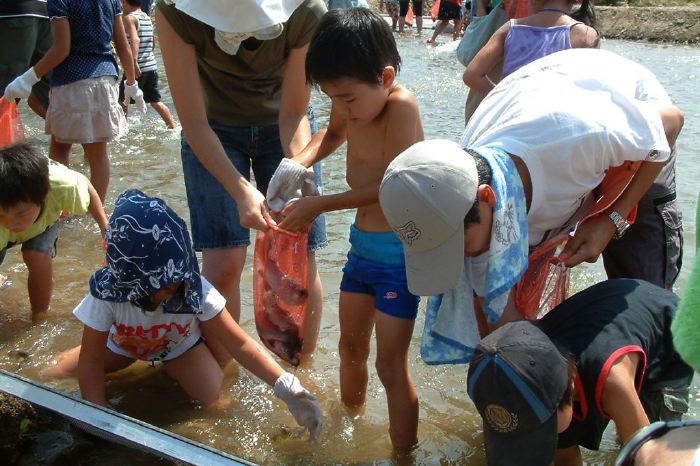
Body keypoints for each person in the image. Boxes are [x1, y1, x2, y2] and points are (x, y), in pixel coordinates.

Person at [378, 49, 684, 359]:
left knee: (644, 296)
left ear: (488, 198)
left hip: (635, 130)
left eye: (458, 246)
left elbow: (672, 122)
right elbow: (493, 311)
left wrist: (612, 219)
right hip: (537, 111)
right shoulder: (451, 192)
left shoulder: (582, 138)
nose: (460, 259)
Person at [46, 189, 323, 439]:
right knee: (54, 372)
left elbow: (239, 343)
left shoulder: (193, 288)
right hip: (123, 345)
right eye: (162, 283)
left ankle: (168, 375)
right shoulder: (107, 294)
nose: (174, 287)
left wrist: (285, 386)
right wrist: (99, 414)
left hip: (180, 348)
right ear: (131, 278)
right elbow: (92, 361)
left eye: (178, 279)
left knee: (214, 403)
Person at [269, 8, 424, 452]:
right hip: (361, 251)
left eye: (350, 99)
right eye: (333, 97)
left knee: (390, 366)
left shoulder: (401, 108)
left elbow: (393, 189)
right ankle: (347, 434)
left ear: (387, 76)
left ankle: (402, 453)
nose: (344, 108)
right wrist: (295, 163)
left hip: (398, 254)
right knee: (349, 350)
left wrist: (320, 204)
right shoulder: (350, 100)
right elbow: (332, 137)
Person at [154, 0, 328, 361]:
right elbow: (194, 122)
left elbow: (294, 112)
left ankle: (301, 368)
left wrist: (297, 171)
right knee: (224, 261)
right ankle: (222, 377)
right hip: (212, 128)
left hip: (284, 123)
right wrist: (239, 188)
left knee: (298, 254)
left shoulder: (307, 11)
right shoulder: (175, 12)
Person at [466, 279, 694, 466]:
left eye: (542, 429)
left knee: (652, 444)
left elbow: (647, 453)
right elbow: (564, 457)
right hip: (594, 331)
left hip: (669, 342)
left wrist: (641, 447)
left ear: (571, 387)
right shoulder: (524, 369)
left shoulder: (612, 382)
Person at [2, 0, 145, 203]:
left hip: (71, 81)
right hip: (106, 80)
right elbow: (123, 45)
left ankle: (61, 209)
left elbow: (62, 48)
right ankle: (95, 214)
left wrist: (28, 78)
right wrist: (131, 84)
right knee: (98, 155)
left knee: (60, 148)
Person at [0, 143, 108, 320]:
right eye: (1, 215)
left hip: (44, 221)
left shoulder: (62, 185)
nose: (12, 223)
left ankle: (39, 315)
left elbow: (86, 186)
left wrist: (105, 226)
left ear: (44, 196)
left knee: (36, 255)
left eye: (20, 213)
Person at [463, 0, 599, 96]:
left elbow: (471, 76)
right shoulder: (586, 35)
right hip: (557, 125)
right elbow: (591, 88)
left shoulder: (510, 28)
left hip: (513, 122)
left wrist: (503, 98)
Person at [119, 0, 176, 129]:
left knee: (122, 101)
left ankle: (122, 129)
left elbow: (135, 39)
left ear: (123, 2)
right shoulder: (146, 17)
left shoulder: (129, 18)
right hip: (151, 66)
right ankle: (172, 126)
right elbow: (152, 43)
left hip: (137, 67)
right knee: (156, 101)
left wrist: (133, 62)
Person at [0, 0, 52, 118]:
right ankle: (83, 135)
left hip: (12, 13)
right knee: (47, 100)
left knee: (5, 94)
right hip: (47, 13)